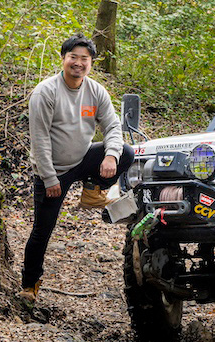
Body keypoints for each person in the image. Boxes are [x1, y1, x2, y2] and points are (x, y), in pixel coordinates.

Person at [19, 34, 134, 303]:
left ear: (91, 62)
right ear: (63, 59)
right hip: (54, 170)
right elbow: (39, 139)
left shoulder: (95, 91)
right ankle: (29, 284)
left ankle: (93, 190)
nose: (78, 63)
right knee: (42, 231)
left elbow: (113, 127)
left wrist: (111, 156)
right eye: (73, 57)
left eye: (85, 59)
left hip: (83, 159)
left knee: (126, 153)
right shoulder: (45, 92)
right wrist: (49, 178)